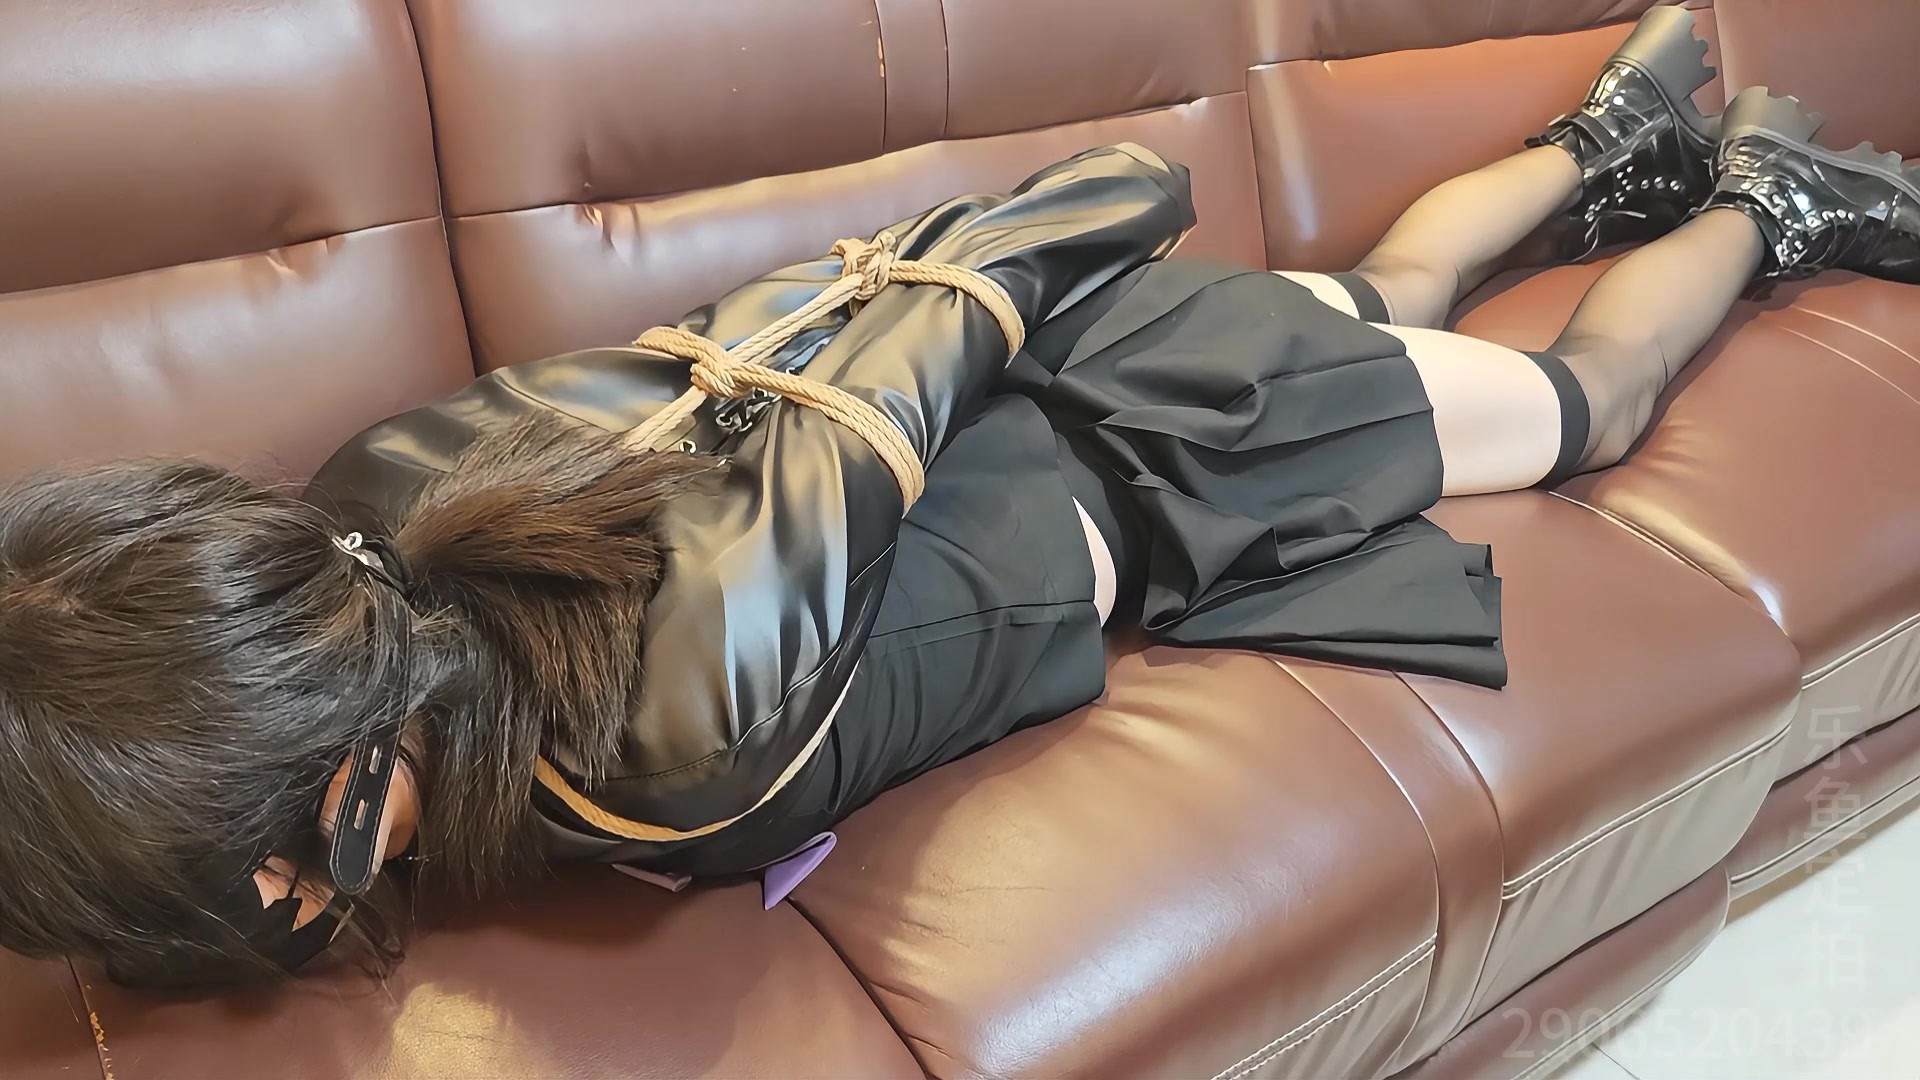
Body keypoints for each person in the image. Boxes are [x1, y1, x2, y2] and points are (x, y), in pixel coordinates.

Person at [2, 8, 1916, 987]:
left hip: (1158, 445)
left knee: (1580, 409)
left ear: (272, 853)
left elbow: (853, 380)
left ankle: (1770, 195)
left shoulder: (667, 744)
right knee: (1388, 296)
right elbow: (746, 367)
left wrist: (1027, 248)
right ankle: (1605, 142)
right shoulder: (372, 504)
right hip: (1052, 399)